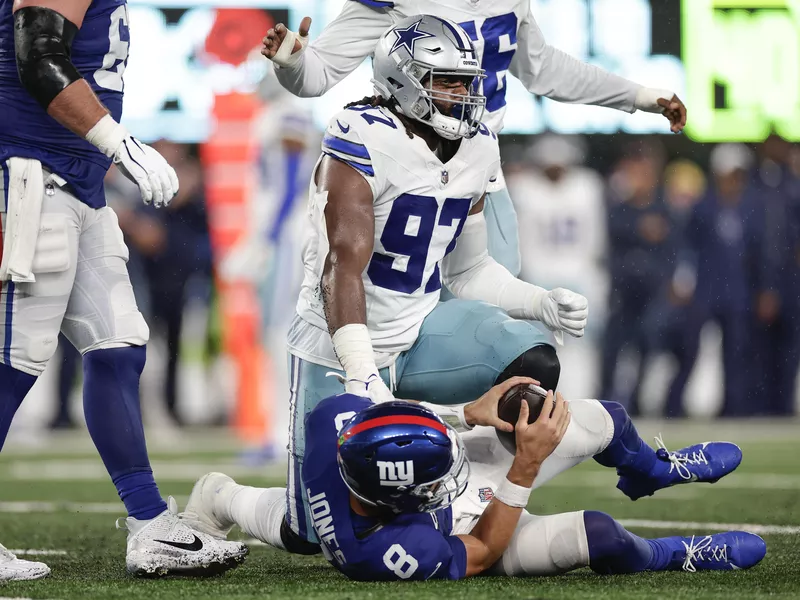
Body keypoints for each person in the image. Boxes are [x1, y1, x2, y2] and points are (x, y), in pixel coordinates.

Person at [283, 15, 589, 550]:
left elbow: (469, 272)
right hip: (340, 345)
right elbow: (342, 266)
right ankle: (225, 497)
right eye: (446, 81)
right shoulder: (360, 134)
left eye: (465, 82)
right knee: (318, 533)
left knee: (531, 359)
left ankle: (481, 492)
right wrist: (362, 373)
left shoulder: (478, 146)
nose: (462, 94)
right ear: (403, 79)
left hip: (420, 331)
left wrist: (539, 302)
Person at [0, 0, 246, 579]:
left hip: (78, 189)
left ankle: (151, 525)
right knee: (14, 360)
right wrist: (121, 143)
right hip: (30, 178)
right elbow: (40, 57)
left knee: (118, 346)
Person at [182, 377, 765, 580]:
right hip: (471, 526)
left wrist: (468, 414)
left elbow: (394, 416)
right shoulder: (390, 550)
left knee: (585, 414)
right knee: (602, 535)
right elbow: (483, 549)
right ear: (403, 500)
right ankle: (676, 554)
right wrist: (525, 466)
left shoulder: (334, 422)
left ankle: (653, 472)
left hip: (362, 496)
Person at [260, 0, 686, 279]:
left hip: (481, 174)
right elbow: (316, 75)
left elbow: (546, 71)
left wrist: (638, 96)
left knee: (501, 318)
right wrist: (292, 61)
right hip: (405, 174)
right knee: (392, 316)